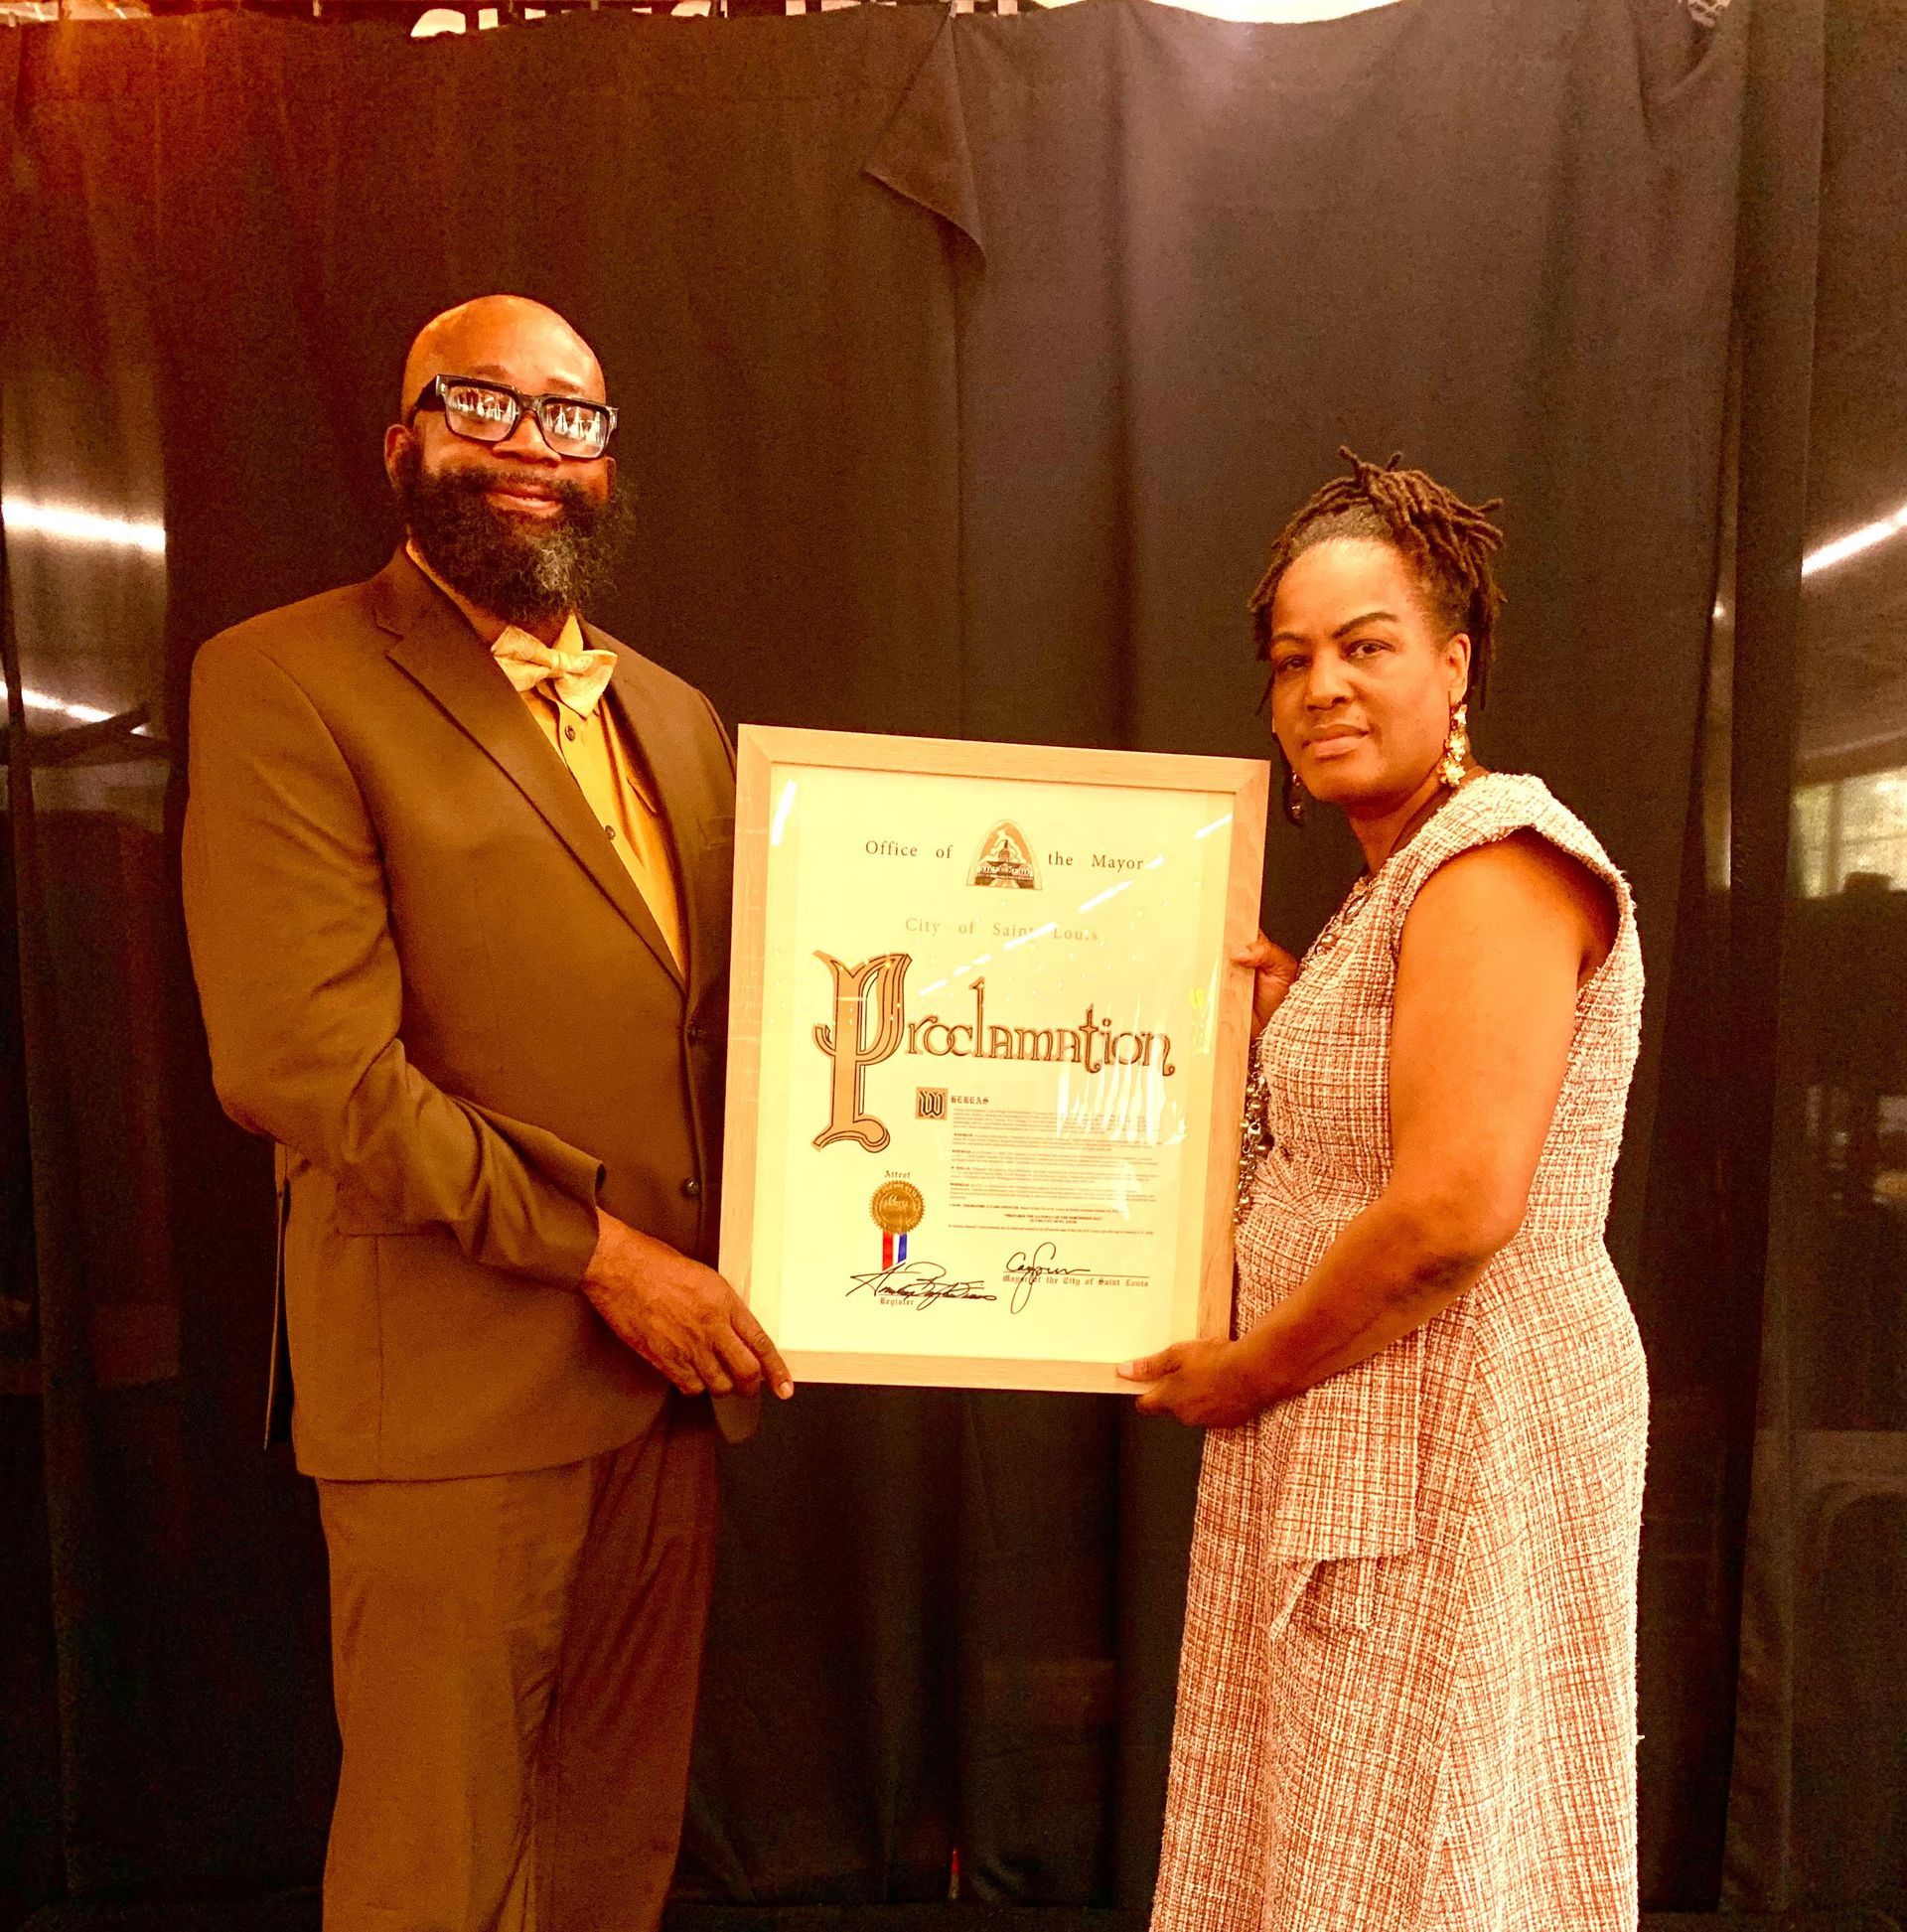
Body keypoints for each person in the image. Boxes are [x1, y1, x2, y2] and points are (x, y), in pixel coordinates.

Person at [182, 294, 791, 1932]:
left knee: (611, 1850)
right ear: (405, 441)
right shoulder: (285, 678)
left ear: (608, 458)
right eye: (485, 403)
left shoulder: (678, 715)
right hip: (451, 1382)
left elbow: (777, 1021)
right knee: (435, 1872)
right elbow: (307, 1063)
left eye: (571, 414)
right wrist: (608, 1257)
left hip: (671, 1388)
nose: (532, 445)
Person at [1120, 451, 1648, 1930]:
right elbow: (1387, 1113)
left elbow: (1454, 1213)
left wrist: (1245, 1370)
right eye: (1293, 659)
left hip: (1454, 1430)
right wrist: (1298, 1012)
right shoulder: (1403, 874)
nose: (1321, 689)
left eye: (1367, 646)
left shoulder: (1492, 860)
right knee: (1360, 1844)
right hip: (1381, 1422)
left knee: (1426, 1856)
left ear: (1455, 661)